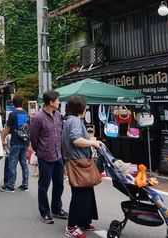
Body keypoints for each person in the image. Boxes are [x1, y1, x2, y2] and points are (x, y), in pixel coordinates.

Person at [62, 95, 104, 238]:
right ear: (82, 108)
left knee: (86, 193)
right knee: (80, 195)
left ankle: (83, 221)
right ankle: (71, 227)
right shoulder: (74, 121)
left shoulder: (69, 120)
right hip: (79, 163)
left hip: (78, 161)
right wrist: (93, 143)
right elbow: (76, 140)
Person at [29, 90, 68, 224]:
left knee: (59, 183)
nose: (59, 102)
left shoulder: (57, 115)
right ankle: (45, 212)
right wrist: (39, 150)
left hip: (58, 154)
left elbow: (60, 133)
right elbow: (33, 138)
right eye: (57, 100)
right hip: (45, 156)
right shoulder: (38, 118)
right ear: (51, 102)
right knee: (44, 185)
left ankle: (57, 208)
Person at [0, 94, 30, 192]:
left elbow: (8, 128)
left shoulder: (12, 114)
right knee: (24, 163)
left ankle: (10, 185)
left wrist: (1, 138)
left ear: (13, 103)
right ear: (23, 103)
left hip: (16, 141)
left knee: (12, 162)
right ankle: (25, 184)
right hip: (25, 141)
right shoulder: (27, 114)